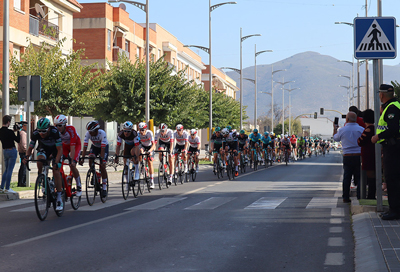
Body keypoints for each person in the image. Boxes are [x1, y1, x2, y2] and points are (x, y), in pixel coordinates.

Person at [371, 84, 400, 220]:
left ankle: (394, 211)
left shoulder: (391, 108)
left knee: (392, 179)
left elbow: (393, 129)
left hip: (393, 148)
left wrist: (378, 137)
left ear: (381, 95)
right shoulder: (394, 105)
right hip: (393, 147)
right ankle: (394, 209)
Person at [24, 118, 63, 210]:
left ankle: (59, 198)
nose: (41, 133)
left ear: (48, 129)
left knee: (55, 170)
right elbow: (30, 148)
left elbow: (60, 149)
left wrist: (56, 162)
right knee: (40, 160)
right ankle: (42, 178)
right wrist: (26, 157)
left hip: (55, 150)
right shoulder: (35, 133)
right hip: (43, 149)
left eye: (44, 131)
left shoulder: (54, 132)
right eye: (40, 131)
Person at [333, 112, 364, 203]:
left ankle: (345, 197)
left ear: (347, 119)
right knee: (359, 177)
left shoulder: (342, 130)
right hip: (358, 156)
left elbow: (335, 138)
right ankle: (359, 195)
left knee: (347, 177)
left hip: (347, 156)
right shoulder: (361, 129)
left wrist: (335, 128)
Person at [54, 114, 83, 197]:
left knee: (72, 165)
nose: (58, 128)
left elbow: (73, 147)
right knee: (58, 165)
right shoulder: (56, 132)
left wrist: (72, 160)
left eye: (60, 126)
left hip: (75, 145)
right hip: (65, 146)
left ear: (65, 125)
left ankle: (79, 185)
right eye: (56, 126)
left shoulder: (71, 129)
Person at [79, 121, 109, 198]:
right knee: (90, 157)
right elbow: (85, 146)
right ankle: (94, 173)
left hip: (104, 147)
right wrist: (82, 158)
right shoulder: (88, 134)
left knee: (102, 166)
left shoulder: (102, 133)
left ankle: (104, 188)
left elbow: (102, 148)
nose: (90, 133)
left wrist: (102, 160)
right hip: (95, 147)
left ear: (96, 130)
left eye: (91, 131)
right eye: (89, 131)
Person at [357, 109, 376, 199]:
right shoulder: (374, 129)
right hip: (372, 154)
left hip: (369, 155)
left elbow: (360, 141)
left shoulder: (368, 129)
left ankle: (371, 196)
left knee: (371, 176)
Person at [0, 115, 20, 194]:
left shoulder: (1, 131)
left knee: (6, 170)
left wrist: (13, 131)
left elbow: (5, 134)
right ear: (8, 122)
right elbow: (18, 140)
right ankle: (7, 188)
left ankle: (2, 187)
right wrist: (18, 131)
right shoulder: (10, 132)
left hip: (5, 151)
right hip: (12, 151)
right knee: (10, 170)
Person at [137, 122, 156, 189]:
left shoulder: (149, 133)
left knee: (150, 162)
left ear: (145, 129)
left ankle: (152, 181)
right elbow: (137, 144)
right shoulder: (138, 134)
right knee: (140, 152)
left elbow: (154, 145)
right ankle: (142, 165)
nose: (141, 131)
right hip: (143, 146)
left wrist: (150, 151)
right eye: (140, 130)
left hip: (150, 147)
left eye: (142, 130)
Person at [17, 121, 28, 187]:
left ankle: (22, 182)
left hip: (24, 152)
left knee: (23, 167)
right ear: (23, 126)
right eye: (26, 126)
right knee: (24, 167)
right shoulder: (23, 133)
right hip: (24, 152)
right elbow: (24, 145)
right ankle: (22, 182)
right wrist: (27, 151)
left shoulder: (23, 133)